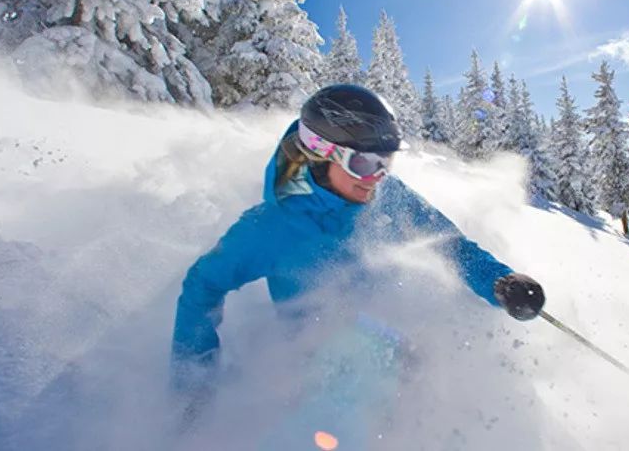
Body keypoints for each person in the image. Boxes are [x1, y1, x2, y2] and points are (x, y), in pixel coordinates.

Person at [170, 84, 546, 396]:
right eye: (365, 163)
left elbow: (447, 244)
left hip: (388, 347)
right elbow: (202, 285)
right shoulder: (272, 227)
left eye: (385, 162)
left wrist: (499, 282)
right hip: (315, 376)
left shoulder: (387, 195)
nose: (377, 176)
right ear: (321, 153)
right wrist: (194, 387)